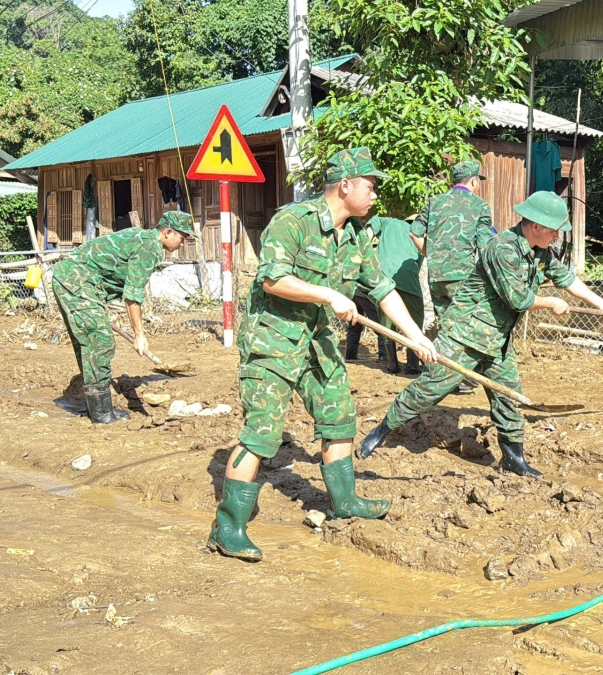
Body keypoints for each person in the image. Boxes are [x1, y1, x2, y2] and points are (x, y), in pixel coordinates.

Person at [208, 147, 438, 563]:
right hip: (273, 340)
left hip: (318, 341)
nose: (375, 195)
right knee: (263, 434)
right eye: (370, 186)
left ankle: (343, 501)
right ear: (345, 185)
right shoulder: (292, 222)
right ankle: (228, 527)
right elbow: (273, 279)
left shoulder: (355, 237)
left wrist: (416, 337)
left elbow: (383, 289)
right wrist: (328, 294)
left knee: (339, 416)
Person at [357, 192, 603, 478]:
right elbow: (518, 299)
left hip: (498, 340)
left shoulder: (540, 251)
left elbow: (565, 278)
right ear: (536, 227)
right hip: (465, 335)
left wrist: (601, 303)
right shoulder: (502, 248)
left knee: (507, 398)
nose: (557, 235)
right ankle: (383, 430)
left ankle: (513, 458)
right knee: (429, 390)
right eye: (555, 229)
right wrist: (552, 303)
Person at [51, 210, 196, 423]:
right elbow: (132, 295)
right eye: (182, 238)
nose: (182, 244)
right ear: (167, 232)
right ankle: (101, 414)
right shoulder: (150, 247)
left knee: (90, 342)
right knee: (100, 342)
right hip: (77, 280)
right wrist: (139, 334)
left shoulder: (142, 238)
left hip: (72, 278)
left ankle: (96, 408)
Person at [411, 159, 494, 393]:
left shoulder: (434, 202)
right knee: (467, 324)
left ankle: (439, 376)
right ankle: (465, 379)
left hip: (436, 275)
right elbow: (484, 246)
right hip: (464, 275)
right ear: (474, 181)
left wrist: (434, 255)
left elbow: (414, 232)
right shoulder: (480, 206)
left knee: (446, 324)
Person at [370, 215, 426, 375]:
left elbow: (373, 224)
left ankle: (392, 364)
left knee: (387, 322)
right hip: (408, 279)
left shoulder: (389, 221)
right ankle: (413, 364)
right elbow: (419, 262)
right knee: (415, 320)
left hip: (384, 275)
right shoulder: (419, 235)